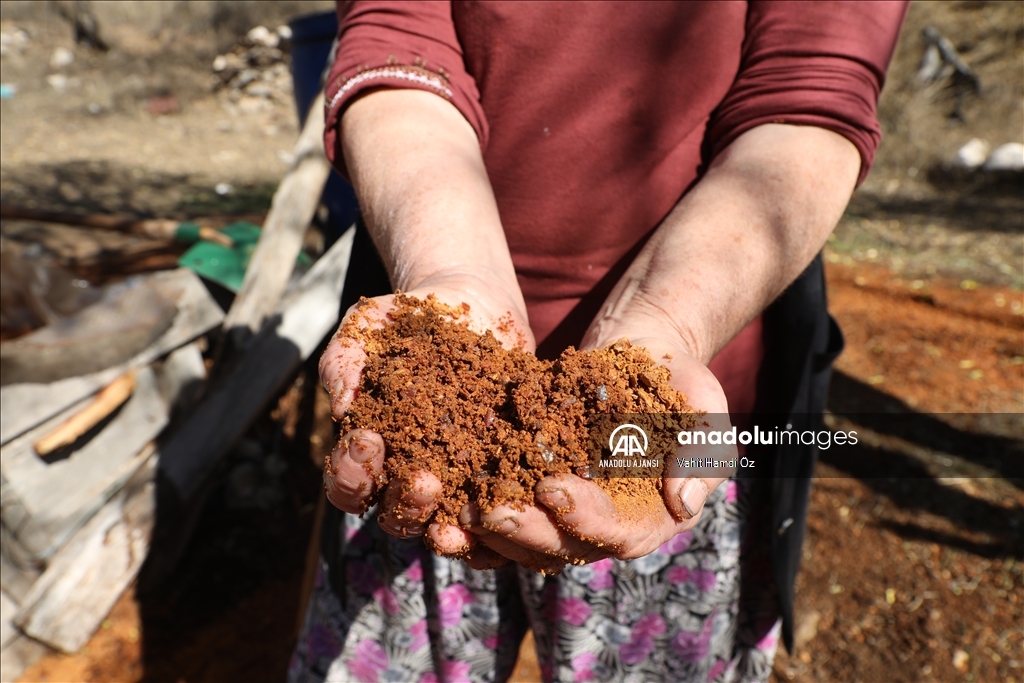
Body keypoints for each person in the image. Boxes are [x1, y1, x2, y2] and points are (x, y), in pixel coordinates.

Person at [290, 2, 907, 681]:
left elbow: (808, 98)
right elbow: (398, 42)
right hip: (424, 414)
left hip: (678, 397)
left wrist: (668, 321)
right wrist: (447, 269)